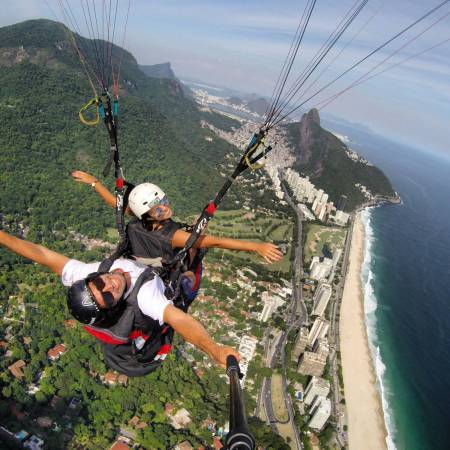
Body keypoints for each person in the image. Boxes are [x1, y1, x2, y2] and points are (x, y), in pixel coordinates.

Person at [0, 228, 240, 376]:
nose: (109, 284)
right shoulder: (145, 297)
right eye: (107, 296)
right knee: (190, 271)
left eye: (100, 282)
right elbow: (181, 321)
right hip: (166, 291)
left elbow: (40, 254)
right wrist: (214, 350)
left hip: (148, 269)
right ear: (114, 307)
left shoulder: (86, 274)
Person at [71, 170, 284, 268]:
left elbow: (116, 204)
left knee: (196, 232)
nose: (166, 208)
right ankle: (189, 276)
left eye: (164, 201)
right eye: (159, 209)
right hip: (166, 260)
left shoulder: (137, 221)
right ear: (147, 214)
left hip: (142, 257)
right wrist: (256, 246)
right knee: (197, 239)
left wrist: (94, 182)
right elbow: (216, 241)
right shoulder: (175, 236)